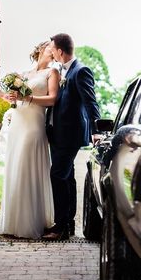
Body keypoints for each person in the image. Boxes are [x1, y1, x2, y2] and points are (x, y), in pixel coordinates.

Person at [0, 41, 61, 239]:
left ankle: (31, 222)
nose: (53, 48)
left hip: (34, 125)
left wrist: (28, 99)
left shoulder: (53, 73)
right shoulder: (23, 74)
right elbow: (14, 98)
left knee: (28, 166)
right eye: (50, 45)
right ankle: (13, 222)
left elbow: (52, 99)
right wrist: (10, 97)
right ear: (41, 49)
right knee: (15, 167)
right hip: (18, 122)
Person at [43, 33, 101, 240]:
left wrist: (97, 130)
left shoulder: (80, 71)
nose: (51, 52)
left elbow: (90, 102)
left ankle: (61, 227)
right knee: (66, 176)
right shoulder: (63, 71)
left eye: (52, 48)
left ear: (60, 51)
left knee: (57, 174)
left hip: (70, 134)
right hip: (58, 133)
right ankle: (66, 225)